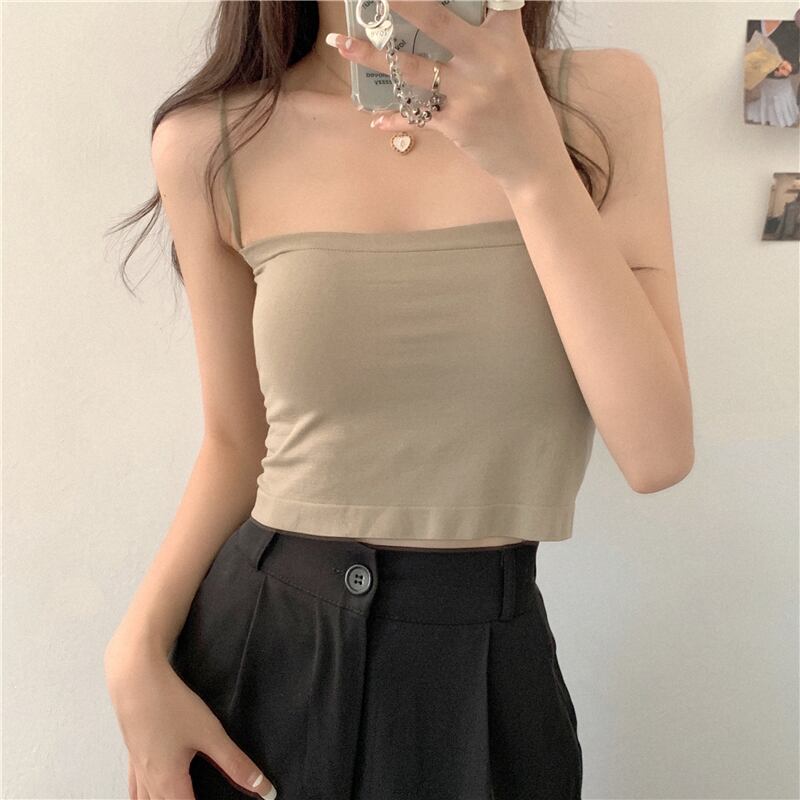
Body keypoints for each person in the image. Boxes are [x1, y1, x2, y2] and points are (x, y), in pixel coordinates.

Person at [104, 2, 694, 799]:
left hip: (484, 671)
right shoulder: (213, 140)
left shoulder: (599, 101)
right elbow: (236, 442)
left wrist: (531, 165)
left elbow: (658, 453)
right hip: (259, 657)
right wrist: (134, 652)